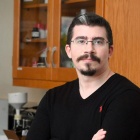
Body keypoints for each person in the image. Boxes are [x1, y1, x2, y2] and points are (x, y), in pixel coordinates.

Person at [26, 12, 140, 140]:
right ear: (69, 50)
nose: (89, 49)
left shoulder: (128, 98)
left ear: (110, 51)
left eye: (98, 41)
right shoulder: (52, 98)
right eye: (81, 41)